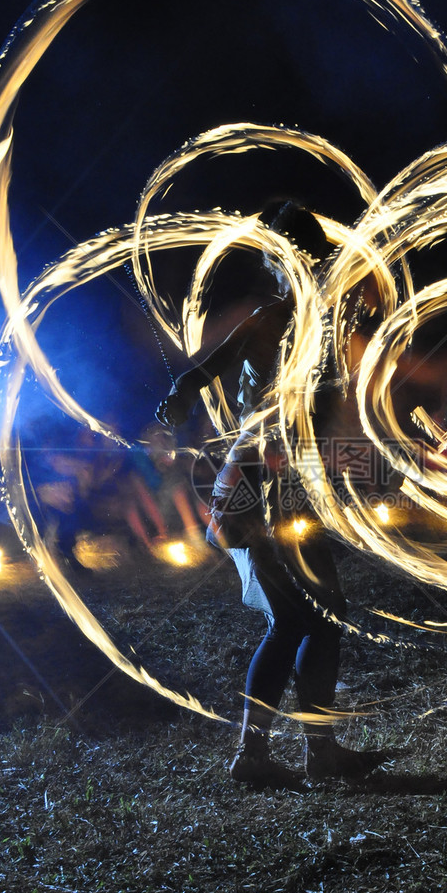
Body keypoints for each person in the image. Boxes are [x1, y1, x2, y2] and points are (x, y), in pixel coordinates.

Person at [160, 202, 387, 788]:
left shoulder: (327, 325)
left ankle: (296, 753)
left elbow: (325, 418)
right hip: (259, 490)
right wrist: (180, 400)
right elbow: (200, 374)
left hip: (286, 488)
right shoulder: (274, 317)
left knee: (309, 621)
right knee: (307, 621)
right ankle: (272, 755)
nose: (307, 269)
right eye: (294, 259)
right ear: (283, 265)